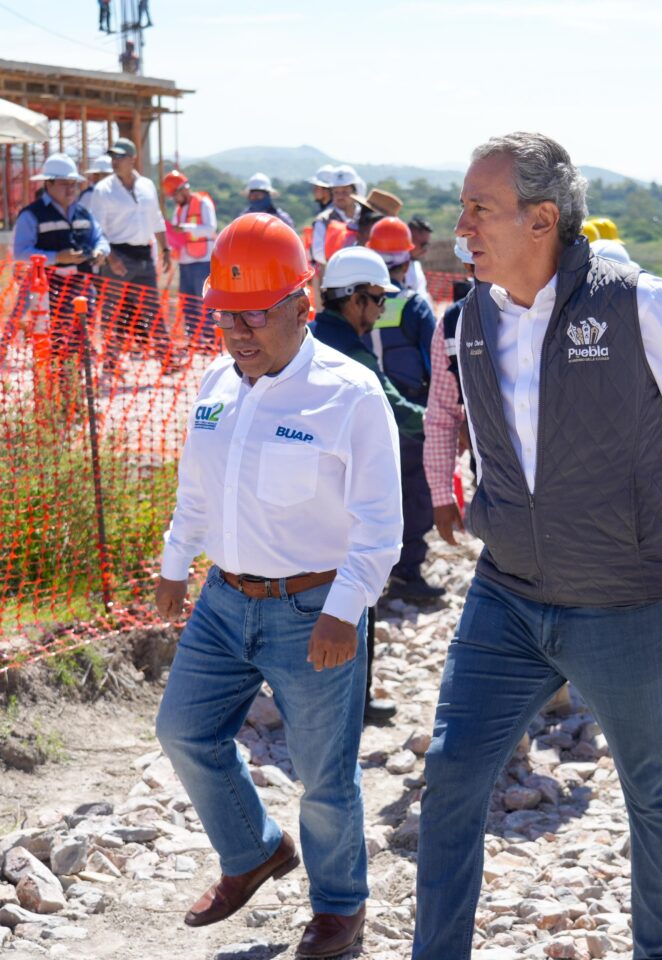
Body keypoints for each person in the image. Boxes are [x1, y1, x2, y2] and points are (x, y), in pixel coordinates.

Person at [413, 132, 662, 960]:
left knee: (654, 795)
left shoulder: (642, 303)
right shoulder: (469, 318)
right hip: (507, 593)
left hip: (623, 602)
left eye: (480, 208)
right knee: (451, 777)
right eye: (463, 207)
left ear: (542, 219)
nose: (462, 227)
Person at [154, 213, 403, 959]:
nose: (238, 332)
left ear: (303, 304)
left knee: (324, 777)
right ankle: (255, 851)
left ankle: (339, 908)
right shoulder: (215, 383)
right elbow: (196, 489)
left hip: (314, 610)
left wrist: (343, 613)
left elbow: (380, 526)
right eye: (227, 315)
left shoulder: (350, 394)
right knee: (183, 732)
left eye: (256, 314)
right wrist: (174, 565)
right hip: (224, 602)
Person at [311, 244, 426, 723]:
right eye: (378, 299)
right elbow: (393, 406)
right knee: (359, 590)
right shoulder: (352, 351)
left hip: (311, 496)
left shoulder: (310, 336)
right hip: (343, 494)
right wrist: (444, 426)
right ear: (355, 298)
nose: (381, 310)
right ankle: (354, 703)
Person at [362, 217, 443, 601]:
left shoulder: (351, 304)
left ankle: (367, 574)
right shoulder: (414, 306)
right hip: (409, 414)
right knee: (413, 492)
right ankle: (407, 575)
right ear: (407, 261)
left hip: (363, 412)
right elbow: (437, 363)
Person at [13, 153, 110, 350]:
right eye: (64, 184)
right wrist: (56, 257)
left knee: (81, 342)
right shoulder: (31, 215)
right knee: (55, 343)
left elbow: (100, 238)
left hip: (81, 286)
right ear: (48, 184)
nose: (71, 189)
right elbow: (20, 253)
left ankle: (77, 369)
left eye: (73, 184)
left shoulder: (84, 213)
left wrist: (101, 251)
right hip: (47, 290)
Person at [86, 137, 168, 356]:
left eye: (120, 157)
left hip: (143, 255)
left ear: (133, 159)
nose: (114, 161)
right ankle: (111, 360)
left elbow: (157, 219)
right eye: (113, 157)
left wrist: (166, 249)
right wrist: (111, 258)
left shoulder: (147, 186)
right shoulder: (103, 189)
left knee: (152, 310)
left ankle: (167, 359)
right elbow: (97, 229)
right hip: (117, 255)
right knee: (111, 312)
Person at [424, 236, 474, 545]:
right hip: (496, 485)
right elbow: (443, 416)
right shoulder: (453, 324)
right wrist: (442, 496)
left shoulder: (548, 310)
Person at [161, 169, 217, 339]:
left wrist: (185, 228)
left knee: (206, 302)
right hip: (185, 262)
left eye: (175, 195)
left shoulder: (203, 203)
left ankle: (209, 340)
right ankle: (194, 339)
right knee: (188, 304)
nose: (174, 199)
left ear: (184, 189)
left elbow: (210, 229)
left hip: (203, 262)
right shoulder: (178, 210)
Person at [311, 166, 361, 278]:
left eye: (345, 192)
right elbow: (318, 254)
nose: (340, 196)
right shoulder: (323, 220)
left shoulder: (365, 216)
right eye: (336, 192)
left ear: (355, 192)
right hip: (336, 277)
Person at [403, 216, 433, 302]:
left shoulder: (416, 265)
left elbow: (424, 293)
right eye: (423, 245)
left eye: (427, 245)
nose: (425, 249)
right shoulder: (397, 269)